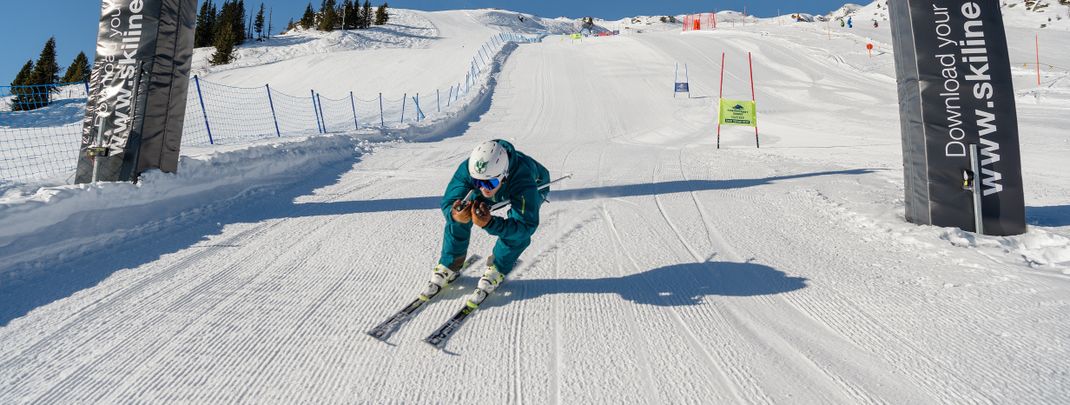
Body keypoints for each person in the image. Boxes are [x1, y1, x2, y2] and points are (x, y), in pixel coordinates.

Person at [422, 140, 551, 308]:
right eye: (478, 183)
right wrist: (455, 214)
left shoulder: (523, 179)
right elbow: (449, 201)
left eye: (489, 183)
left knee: (516, 233)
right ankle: (450, 264)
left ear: (504, 174)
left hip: (534, 184)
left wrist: (490, 223)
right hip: (500, 185)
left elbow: (525, 227)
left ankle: (499, 267)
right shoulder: (470, 169)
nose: (484, 189)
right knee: (460, 212)